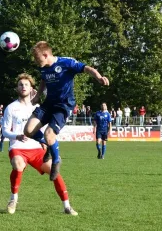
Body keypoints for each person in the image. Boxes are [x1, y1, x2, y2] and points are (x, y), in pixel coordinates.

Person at [24, 41, 109, 180]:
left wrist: (98, 77)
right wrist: (38, 96)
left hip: (63, 106)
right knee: (28, 130)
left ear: (45, 54)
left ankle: (56, 161)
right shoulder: (43, 67)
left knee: (49, 134)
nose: (34, 61)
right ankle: (48, 145)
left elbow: (87, 68)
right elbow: (43, 80)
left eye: (36, 57)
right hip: (48, 104)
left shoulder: (66, 63)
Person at [1, 74, 77, 216]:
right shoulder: (11, 108)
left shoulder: (39, 107)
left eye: (26, 85)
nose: (23, 87)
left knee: (55, 172)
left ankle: (67, 206)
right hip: (18, 147)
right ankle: (13, 199)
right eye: (20, 84)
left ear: (32, 89)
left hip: (36, 149)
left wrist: (44, 142)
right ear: (17, 88)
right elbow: (5, 131)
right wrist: (16, 136)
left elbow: (46, 124)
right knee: (18, 164)